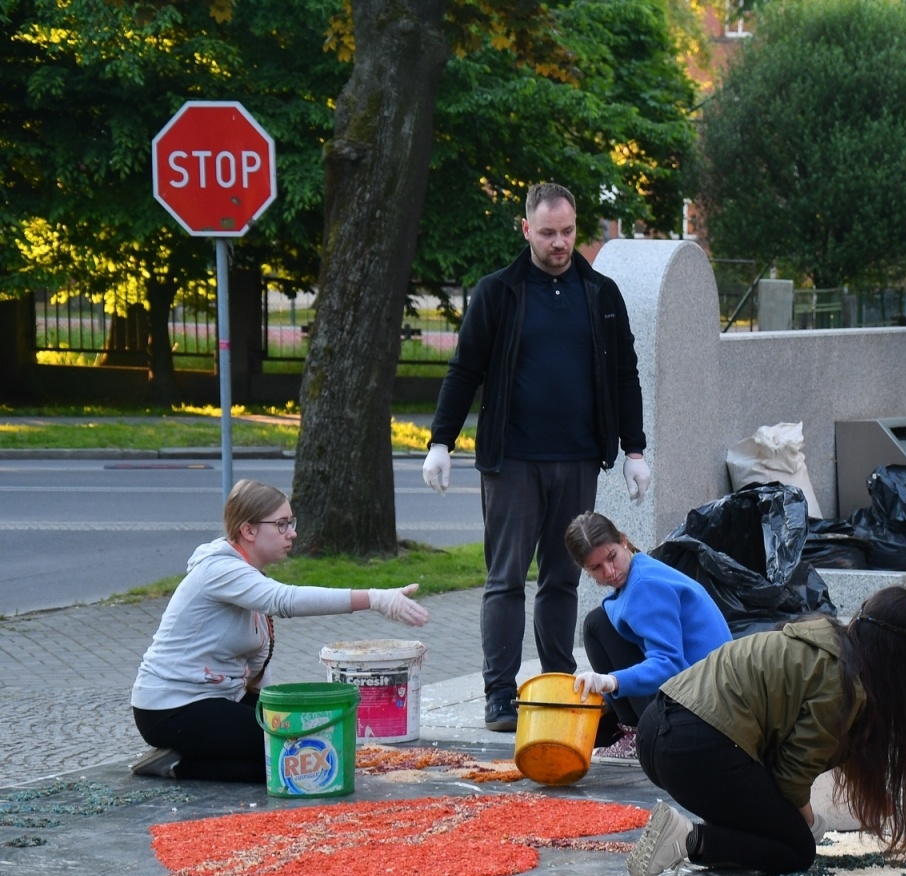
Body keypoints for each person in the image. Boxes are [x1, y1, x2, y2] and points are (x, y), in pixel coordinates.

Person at [422, 181, 651, 733]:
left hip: (577, 459)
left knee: (563, 580)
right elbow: (464, 370)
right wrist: (439, 441)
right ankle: (500, 695)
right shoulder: (498, 293)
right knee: (505, 579)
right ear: (526, 229)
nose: (560, 243)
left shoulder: (600, 295)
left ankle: (557, 686)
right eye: (548, 233)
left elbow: (624, 375)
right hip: (512, 461)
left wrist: (635, 448)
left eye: (568, 232)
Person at [625, 586, 906, 876]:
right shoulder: (842, 683)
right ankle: (688, 839)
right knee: (796, 849)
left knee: (773, 827)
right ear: (901, 659)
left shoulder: (821, 637)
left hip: (655, 728)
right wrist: (810, 824)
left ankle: (701, 839)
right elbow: (791, 777)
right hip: (693, 747)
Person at [129, 480, 429, 782]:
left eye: (291, 522)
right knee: (289, 762)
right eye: (282, 524)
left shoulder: (249, 575)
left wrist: (277, 713)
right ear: (248, 530)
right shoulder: (219, 571)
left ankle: (197, 752)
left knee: (312, 751)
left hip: (216, 699)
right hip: (170, 708)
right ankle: (178, 763)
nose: (293, 533)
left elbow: (258, 668)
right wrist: (375, 598)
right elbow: (285, 600)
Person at [564, 511, 732, 758]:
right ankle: (628, 728)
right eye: (596, 567)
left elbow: (670, 664)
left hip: (703, 708)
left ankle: (634, 736)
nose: (610, 572)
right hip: (702, 692)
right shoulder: (638, 568)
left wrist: (611, 681)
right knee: (598, 623)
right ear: (584, 569)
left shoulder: (644, 585)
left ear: (623, 540)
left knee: (596, 625)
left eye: (612, 557)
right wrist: (605, 701)